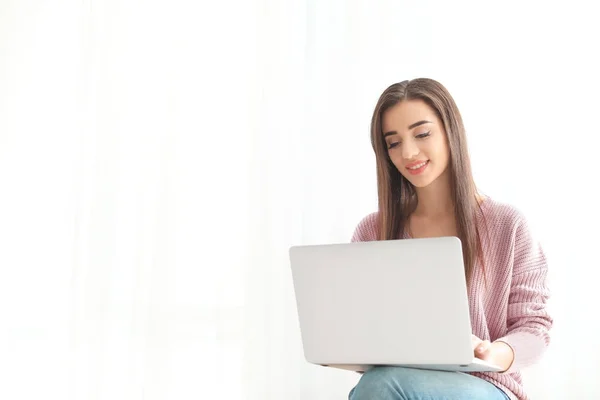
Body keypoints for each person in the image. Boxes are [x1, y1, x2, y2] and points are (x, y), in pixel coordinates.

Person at [347, 78, 552, 400]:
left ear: (450, 132)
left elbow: (533, 327)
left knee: (380, 386)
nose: (409, 152)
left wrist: (493, 352)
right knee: (380, 383)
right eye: (393, 142)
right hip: (397, 381)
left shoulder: (506, 224)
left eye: (422, 134)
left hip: (487, 385)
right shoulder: (372, 231)